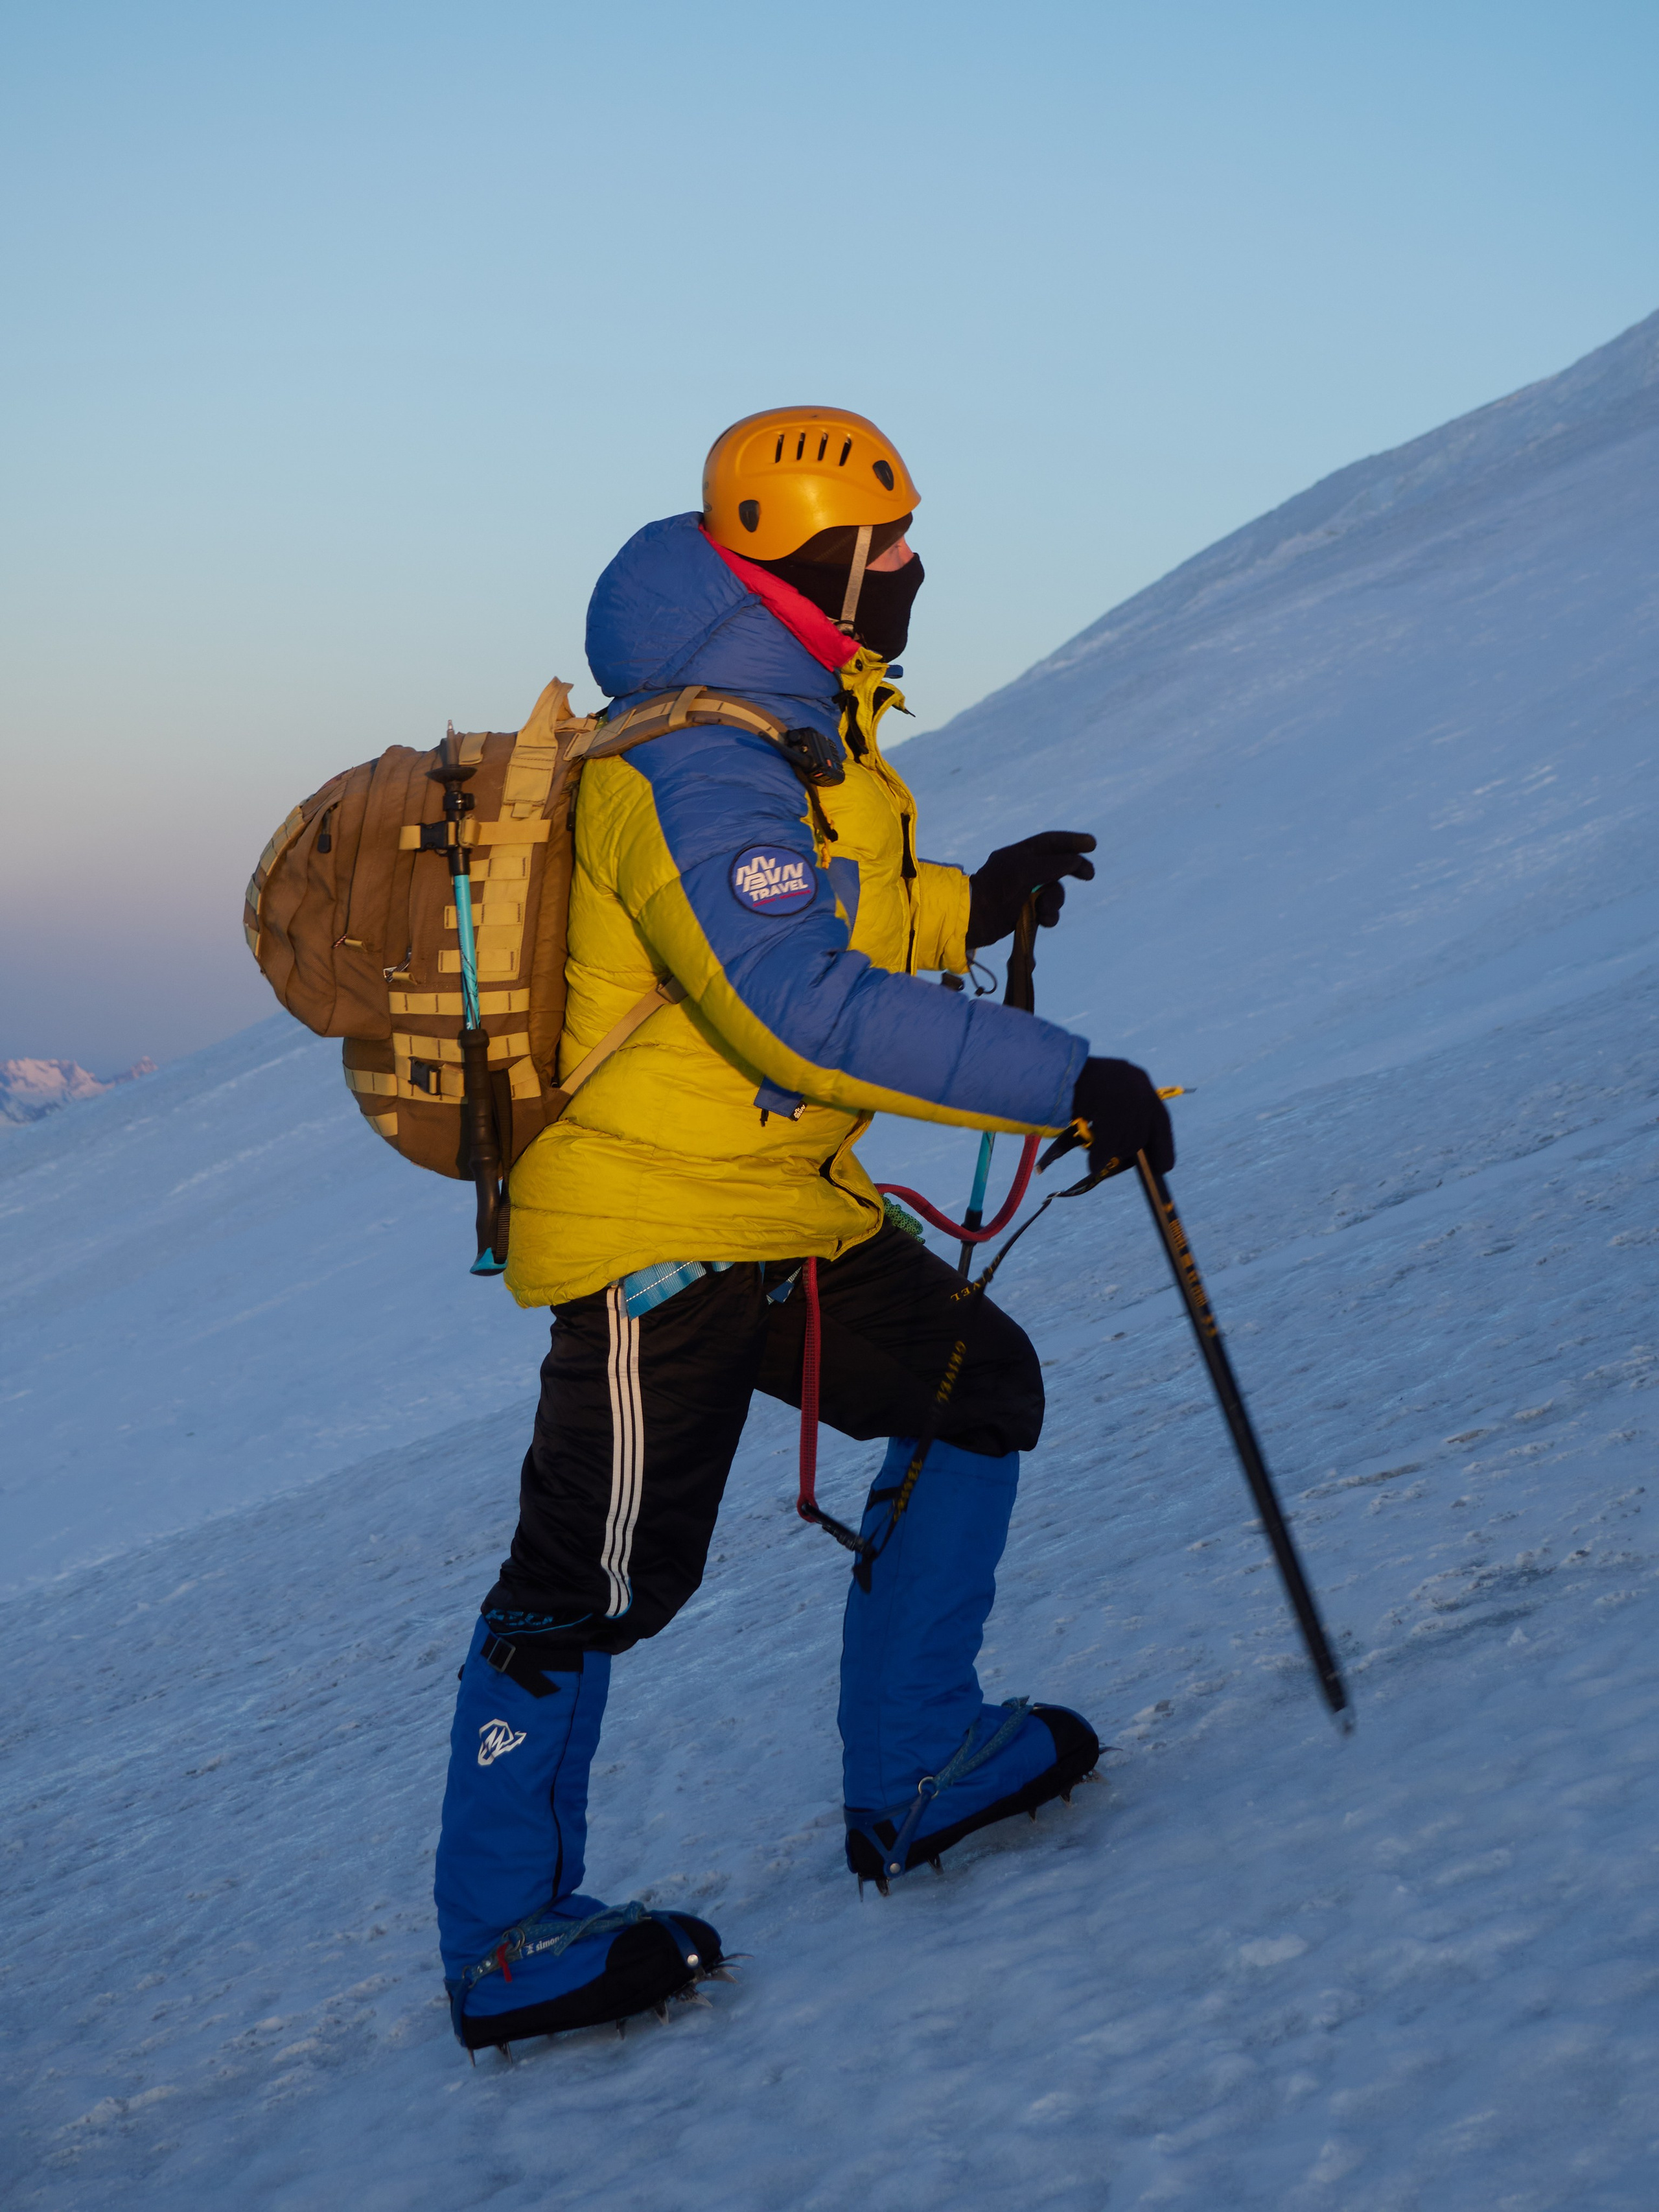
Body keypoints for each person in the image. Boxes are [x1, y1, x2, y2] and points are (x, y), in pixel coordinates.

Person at [433, 406, 1174, 2051]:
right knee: (591, 1578)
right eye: (886, 545)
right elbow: (792, 1003)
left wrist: (968, 903)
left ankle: (920, 1764)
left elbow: (814, 902)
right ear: (814, 561)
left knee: (976, 1384)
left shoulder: (781, 721)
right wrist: (1064, 1081)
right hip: (661, 1238)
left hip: (783, 1208)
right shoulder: (688, 759)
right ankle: (499, 1939)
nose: (911, 568)